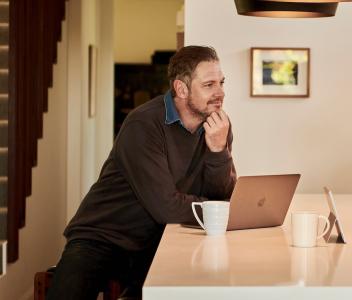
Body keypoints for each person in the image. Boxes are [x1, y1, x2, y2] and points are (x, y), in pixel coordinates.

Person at [46, 46, 237, 300]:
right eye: (209, 84)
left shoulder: (218, 126)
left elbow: (220, 193)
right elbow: (167, 207)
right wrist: (219, 209)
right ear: (181, 89)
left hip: (160, 240)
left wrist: (217, 151)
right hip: (103, 237)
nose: (220, 93)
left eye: (221, 82)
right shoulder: (144, 124)